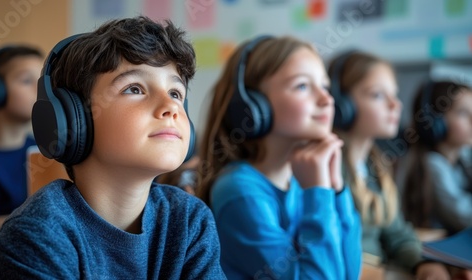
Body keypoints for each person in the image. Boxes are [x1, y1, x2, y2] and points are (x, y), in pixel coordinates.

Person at [0, 16, 225, 279]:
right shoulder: (38, 233)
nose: (171, 107)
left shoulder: (189, 220)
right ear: (72, 121)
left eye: (176, 93)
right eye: (134, 88)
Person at [196, 35, 362, 279]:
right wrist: (318, 193)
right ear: (253, 107)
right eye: (302, 86)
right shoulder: (240, 192)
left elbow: (350, 272)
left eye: (324, 87)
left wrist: (336, 190)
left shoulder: (300, 178)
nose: (327, 100)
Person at [327, 50, 450, 279]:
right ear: (343, 104)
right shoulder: (327, 166)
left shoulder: (376, 164)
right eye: (378, 95)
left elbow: (397, 234)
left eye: (394, 94)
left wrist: (422, 266)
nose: (395, 104)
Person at [0, 45, 43, 218]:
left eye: (41, 81)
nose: (40, 89)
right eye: (27, 81)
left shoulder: (43, 150)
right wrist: (26, 218)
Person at [403, 80, 472, 235]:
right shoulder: (433, 164)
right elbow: (465, 216)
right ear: (435, 122)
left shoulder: (462, 161)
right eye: (463, 113)